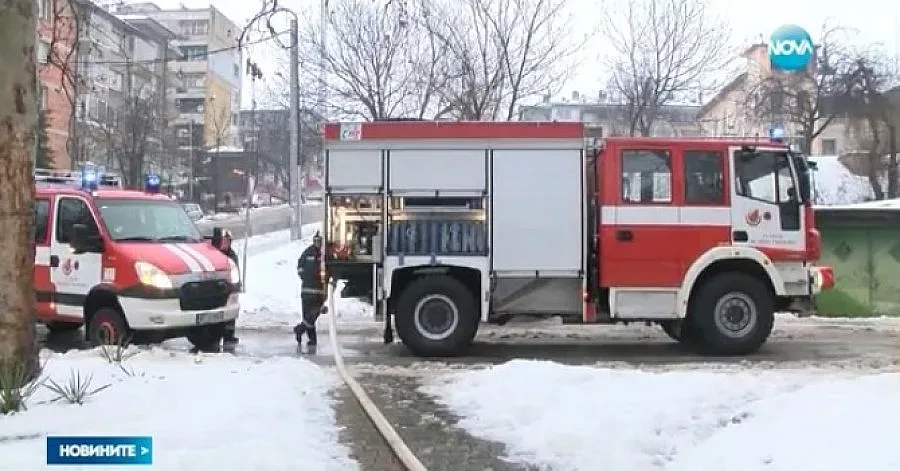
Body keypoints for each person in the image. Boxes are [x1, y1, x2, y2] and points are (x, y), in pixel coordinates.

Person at [294, 231, 327, 348]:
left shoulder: (324, 254)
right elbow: (300, 266)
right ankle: (311, 339)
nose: (317, 243)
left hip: (318, 291)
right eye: (316, 241)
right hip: (308, 291)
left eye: (319, 241)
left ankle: (301, 331)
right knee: (308, 316)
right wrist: (305, 277)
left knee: (312, 316)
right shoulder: (308, 252)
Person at [212, 228, 240, 349]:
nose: (227, 244)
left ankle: (229, 336)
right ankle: (214, 337)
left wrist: (235, 285)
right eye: (224, 241)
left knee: (229, 314)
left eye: (228, 241)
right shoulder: (212, 253)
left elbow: (235, 271)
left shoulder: (231, 255)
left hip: (228, 289)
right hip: (213, 290)